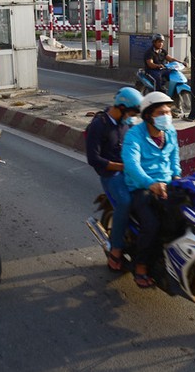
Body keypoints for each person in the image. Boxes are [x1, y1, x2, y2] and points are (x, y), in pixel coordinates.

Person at [121, 91, 181, 289]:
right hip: (142, 188)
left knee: (186, 218)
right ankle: (140, 266)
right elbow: (131, 165)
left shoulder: (170, 131)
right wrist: (150, 183)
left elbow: (174, 157)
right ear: (148, 116)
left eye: (168, 112)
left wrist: (177, 176)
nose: (167, 116)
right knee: (152, 225)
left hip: (167, 185)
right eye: (160, 112)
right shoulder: (134, 135)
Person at [85, 87, 143, 272]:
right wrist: (121, 167)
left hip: (131, 170)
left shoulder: (128, 123)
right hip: (111, 175)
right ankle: (115, 251)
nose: (133, 117)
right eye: (132, 112)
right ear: (121, 107)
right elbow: (93, 159)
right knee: (125, 202)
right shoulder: (99, 125)